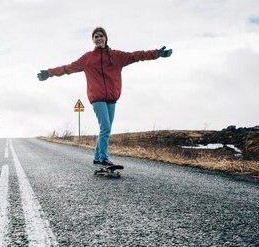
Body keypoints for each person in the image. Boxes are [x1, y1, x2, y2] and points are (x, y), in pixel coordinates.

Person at [37, 27, 172, 166]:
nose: (99, 38)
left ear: (106, 38)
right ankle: (102, 158)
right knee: (106, 127)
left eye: (101, 35)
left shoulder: (117, 56)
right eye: (96, 36)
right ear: (93, 40)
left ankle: (97, 158)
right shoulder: (88, 58)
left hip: (112, 99)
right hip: (97, 98)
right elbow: (67, 68)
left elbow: (136, 56)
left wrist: (157, 53)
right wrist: (48, 73)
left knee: (105, 128)